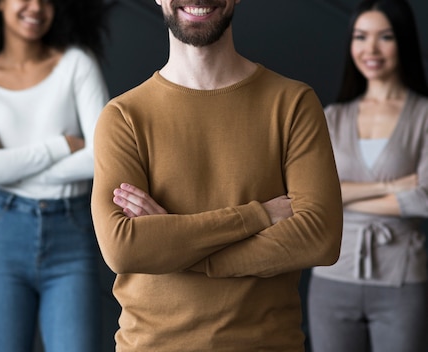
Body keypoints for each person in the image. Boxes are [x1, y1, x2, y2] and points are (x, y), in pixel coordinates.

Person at [90, 0, 344, 351]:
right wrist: (259, 215)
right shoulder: (123, 117)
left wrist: (177, 248)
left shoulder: (293, 103)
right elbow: (123, 247)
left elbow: (321, 237)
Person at [0, 0, 109, 351]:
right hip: (2, 236)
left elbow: (102, 159)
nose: (36, 6)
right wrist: (61, 146)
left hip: (72, 234)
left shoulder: (76, 64)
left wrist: (7, 158)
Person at [307, 1, 428, 351]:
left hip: (402, 280)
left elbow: (423, 198)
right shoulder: (332, 117)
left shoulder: (423, 116)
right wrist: (391, 187)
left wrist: (342, 195)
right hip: (332, 277)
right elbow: (313, 196)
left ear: (403, 41)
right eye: (360, 37)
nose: (370, 49)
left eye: (385, 37)